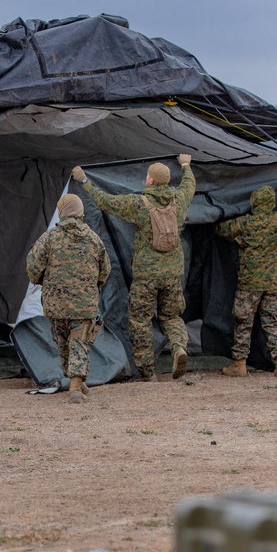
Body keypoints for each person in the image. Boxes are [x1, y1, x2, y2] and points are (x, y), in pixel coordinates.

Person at [72, 154, 195, 381]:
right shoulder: (180, 199)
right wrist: (186, 165)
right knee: (172, 316)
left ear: (150, 181)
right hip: (172, 274)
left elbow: (105, 202)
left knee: (140, 320)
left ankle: (148, 372)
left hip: (146, 276)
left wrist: (84, 181)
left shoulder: (138, 204)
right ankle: (179, 347)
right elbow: (190, 184)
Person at [217, 167, 277, 377]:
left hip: (249, 284)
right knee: (273, 322)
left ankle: (239, 364)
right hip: (274, 282)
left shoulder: (245, 224)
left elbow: (221, 229)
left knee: (243, 323)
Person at [27, 194, 111, 403]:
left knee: (63, 344)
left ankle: (74, 384)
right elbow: (105, 270)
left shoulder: (49, 238)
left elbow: (32, 268)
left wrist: (41, 281)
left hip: (56, 304)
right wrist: (93, 286)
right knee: (79, 343)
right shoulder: (93, 239)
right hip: (83, 304)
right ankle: (77, 381)